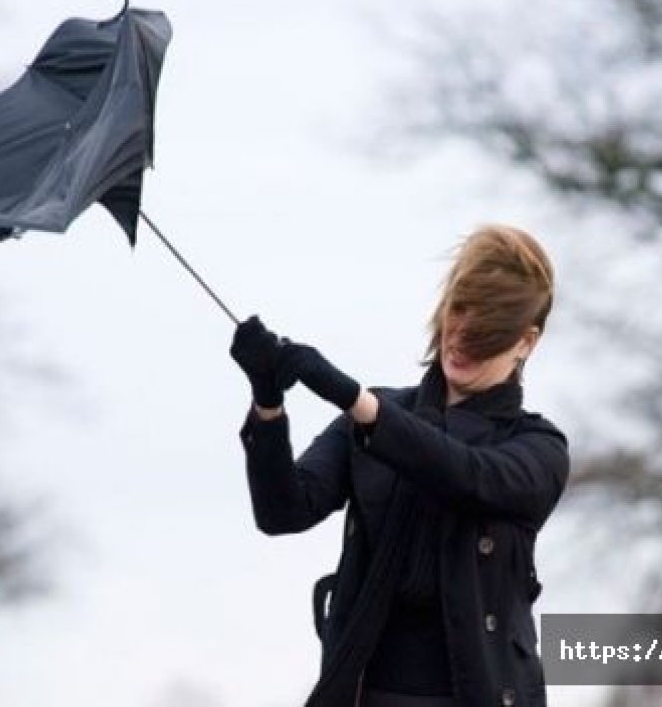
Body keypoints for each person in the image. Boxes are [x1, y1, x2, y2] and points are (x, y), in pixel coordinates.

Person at [230, 225, 569, 707]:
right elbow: (284, 510)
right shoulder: (375, 415)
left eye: (487, 333)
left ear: (526, 343)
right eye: (459, 312)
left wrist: (353, 399)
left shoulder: (538, 448)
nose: (463, 338)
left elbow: (466, 474)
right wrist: (267, 404)